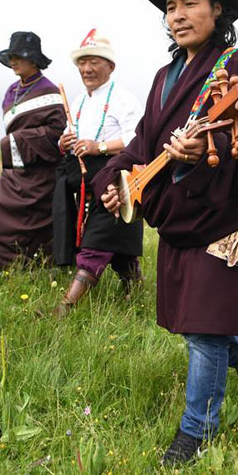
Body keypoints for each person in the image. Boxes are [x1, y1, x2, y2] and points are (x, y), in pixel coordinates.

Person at [91, 0, 238, 466]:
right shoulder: (163, 78)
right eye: (170, 7)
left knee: (203, 327)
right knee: (200, 325)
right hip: (177, 217)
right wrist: (115, 180)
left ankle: (196, 433)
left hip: (222, 216)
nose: (177, 15)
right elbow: (142, 143)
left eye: (189, 3)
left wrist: (207, 154)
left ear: (218, 10)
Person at [51, 29, 144, 317]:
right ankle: (136, 291)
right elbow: (70, 137)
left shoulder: (125, 100)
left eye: (94, 62)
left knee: (100, 237)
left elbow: (136, 141)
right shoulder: (78, 102)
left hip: (114, 178)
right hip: (84, 181)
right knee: (120, 246)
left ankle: (66, 307)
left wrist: (98, 146)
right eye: (82, 63)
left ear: (110, 66)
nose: (87, 69)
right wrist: (63, 142)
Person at [0, 31, 65, 283]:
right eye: (11, 56)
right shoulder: (11, 91)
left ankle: (34, 267)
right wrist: (14, 143)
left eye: (19, 56)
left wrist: (18, 140)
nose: (13, 61)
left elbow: (57, 133)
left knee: (35, 223)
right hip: (14, 172)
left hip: (41, 174)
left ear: (34, 60)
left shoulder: (50, 91)